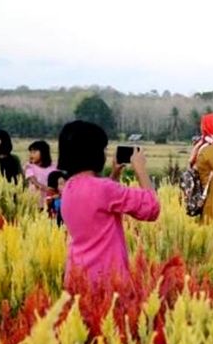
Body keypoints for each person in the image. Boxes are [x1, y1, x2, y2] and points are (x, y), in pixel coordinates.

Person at [58, 120, 160, 289]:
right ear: (94, 152)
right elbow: (151, 208)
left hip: (77, 277)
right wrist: (140, 169)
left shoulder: (69, 187)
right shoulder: (104, 189)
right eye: (103, 149)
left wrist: (114, 175)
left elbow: (99, 205)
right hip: (107, 281)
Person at [25, 140, 57, 208]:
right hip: (35, 202)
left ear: (43, 153)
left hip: (50, 200)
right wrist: (45, 188)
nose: (31, 154)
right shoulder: (30, 166)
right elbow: (33, 180)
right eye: (30, 152)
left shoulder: (53, 167)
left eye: (34, 152)